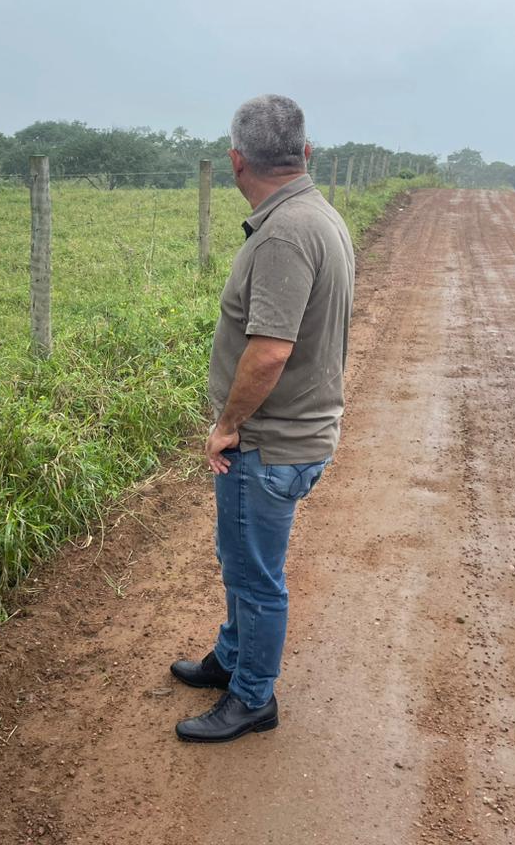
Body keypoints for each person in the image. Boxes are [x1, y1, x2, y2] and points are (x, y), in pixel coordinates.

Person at [172, 94, 354, 743]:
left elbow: (270, 350)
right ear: (305, 154)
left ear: (234, 161)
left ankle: (253, 697)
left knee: (255, 573)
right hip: (295, 434)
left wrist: (226, 424)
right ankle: (231, 657)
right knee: (240, 556)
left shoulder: (282, 233)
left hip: (270, 442)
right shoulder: (317, 214)